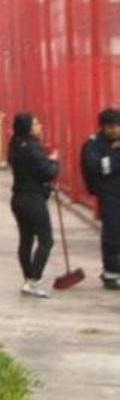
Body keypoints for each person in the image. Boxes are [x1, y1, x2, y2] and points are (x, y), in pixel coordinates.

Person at [10, 113, 60, 298]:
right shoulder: (32, 147)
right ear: (29, 128)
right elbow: (47, 172)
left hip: (19, 198)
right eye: (37, 123)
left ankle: (28, 279)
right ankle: (34, 280)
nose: (40, 126)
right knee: (46, 240)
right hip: (33, 200)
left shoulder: (15, 144)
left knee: (26, 240)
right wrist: (54, 160)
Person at [78, 108, 120, 290]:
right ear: (103, 127)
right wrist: (114, 158)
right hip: (109, 194)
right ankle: (111, 273)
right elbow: (96, 168)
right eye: (112, 127)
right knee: (112, 232)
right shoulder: (93, 145)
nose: (116, 130)